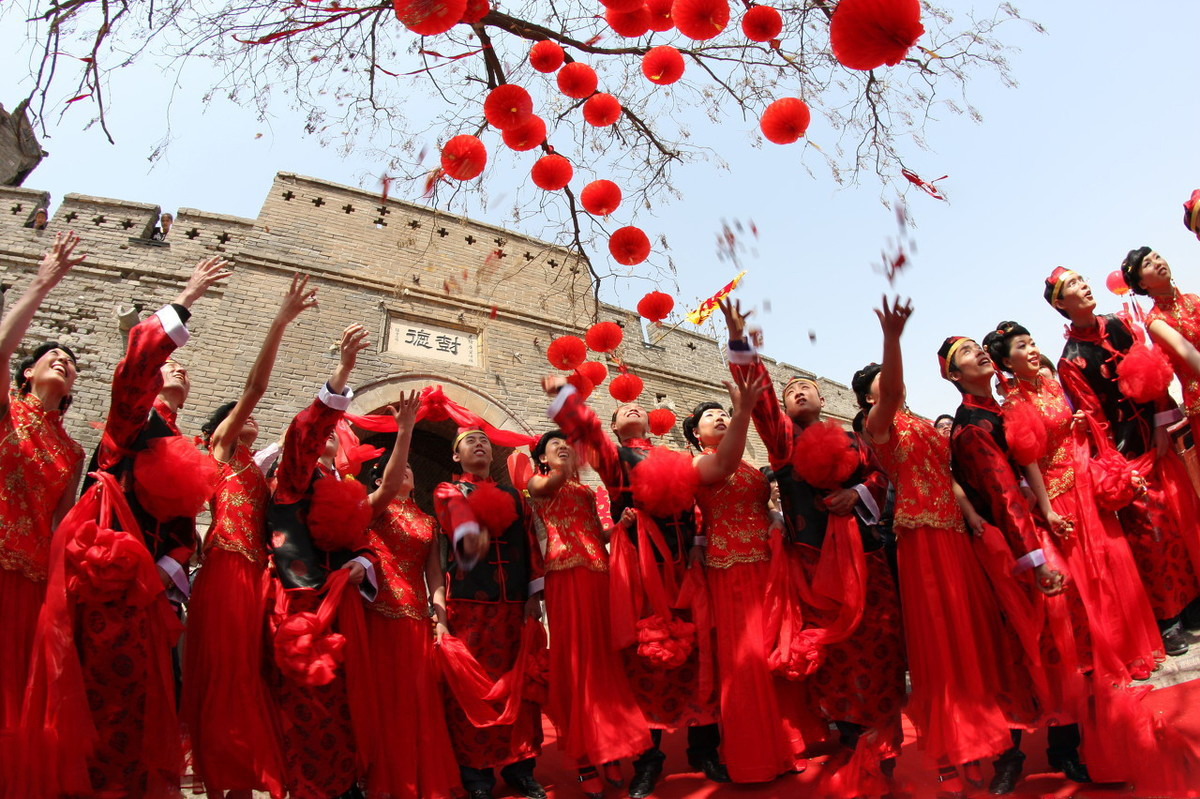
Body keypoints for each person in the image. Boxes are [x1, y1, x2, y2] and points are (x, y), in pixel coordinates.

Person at [15, 255, 230, 798]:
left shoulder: (186, 450)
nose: (177, 371)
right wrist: (185, 300)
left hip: (151, 598)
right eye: (169, 369)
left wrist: (167, 568)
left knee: (140, 710)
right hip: (104, 586)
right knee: (98, 706)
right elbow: (135, 369)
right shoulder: (129, 426)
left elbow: (183, 530)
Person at [720, 299, 905, 775]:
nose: (798, 393)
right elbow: (758, 402)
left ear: (823, 398)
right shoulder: (783, 441)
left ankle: (881, 741)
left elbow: (884, 479)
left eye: (805, 387)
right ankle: (845, 736)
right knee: (832, 654)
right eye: (790, 392)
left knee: (879, 643)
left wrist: (858, 492)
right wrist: (740, 339)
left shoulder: (856, 438)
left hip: (866, 558)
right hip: (812, 561)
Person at [853, 297, 1012, 795]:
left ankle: (996, 734)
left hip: (954, 530)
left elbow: (949, 479)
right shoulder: (878, 427)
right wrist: (894, 340)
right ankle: (957, 748)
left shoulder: (921, 422)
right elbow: (893, 389)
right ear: (866, 399)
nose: (891, 380)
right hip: (920, 536)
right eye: (880, 379)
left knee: (974, 628)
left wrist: (972, 521)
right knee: (942, 637)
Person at [545, 379, 723, 798]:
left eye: (638, 409)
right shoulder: (616, 460)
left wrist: (698, 545)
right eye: (622, 411)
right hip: (642, 569)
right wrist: (566, 400)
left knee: (699, 654)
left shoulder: (677, 458)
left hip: (685, 569)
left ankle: (705, 748)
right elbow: (592, 440)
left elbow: (698, 508)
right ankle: (649, 758)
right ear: (613, 425)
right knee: (647, 659)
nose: (632, 410)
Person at [181, 274, 318, 799]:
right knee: (223, 674)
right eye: (242, 418)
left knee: (251, 675)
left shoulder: (261, 477)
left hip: (258, 578)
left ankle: (240, 778)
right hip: (222, 572)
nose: (252, 417)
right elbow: (254, 389)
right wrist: (280, 323)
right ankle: (220, 781)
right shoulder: (221, 452)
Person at [939, 334, 1087, 794]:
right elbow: (1003, 496)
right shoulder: (972, 427)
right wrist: (1036, 561)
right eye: (965, 354)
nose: (978, 353)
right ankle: (1013, 752)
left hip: (1026, 539)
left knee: (1055, 642)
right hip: (1007, 552)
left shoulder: (998, 410)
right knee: (1022, 647)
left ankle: (1064, 744)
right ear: (953, 375)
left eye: (976, 346)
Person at [983, 320, 1163, 683]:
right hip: (1060, 493)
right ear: (1006, 361)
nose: (1032, 350)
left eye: (1032, 342)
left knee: (1114, 564)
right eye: (1021, 346)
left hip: (1086, 483)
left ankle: (1132, 650)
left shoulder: (1051, 384)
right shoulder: (1014, 402)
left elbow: (1067, 428)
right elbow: (1029, 459)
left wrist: (1077, 423)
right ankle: (1110, 658)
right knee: (1090, 578)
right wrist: (1047, 509)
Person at [1046, 267, 1200, 655]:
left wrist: (1164, 423)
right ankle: (1167, 621)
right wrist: (1116, 465)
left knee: (1181, 519)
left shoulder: (1120, 325)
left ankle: (1194, 605)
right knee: (1149, 534)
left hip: (1157, 433)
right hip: (1127, 454)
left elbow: (1156, 372)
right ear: (1061, 304)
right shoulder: (1071, 359)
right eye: (1073, 286)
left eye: (1083, 279)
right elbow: (1093, 415)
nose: (1084, 286)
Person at [684, 372, 823, 783]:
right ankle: (753, 753)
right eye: (711, 416)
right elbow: (724, 462)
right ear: (695, 434)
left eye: (722, 412)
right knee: (743, 659)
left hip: (766, 564)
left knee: (772, 653)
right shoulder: (698, 462)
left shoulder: (749, 467)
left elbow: (761, 496)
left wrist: (776, 518)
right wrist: (744, 407)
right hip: (729, 568)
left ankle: (786, 743)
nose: (720, 418)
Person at [266, 322, 383, 799]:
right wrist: (341, 376)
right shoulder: (295, 479)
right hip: (302, 600)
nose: (328, 436)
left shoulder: (346, 490)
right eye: (324, 432)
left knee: (346, 698)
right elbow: (303, 436)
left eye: (337, 432)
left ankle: (347, 783)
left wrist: (364, 565)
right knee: (307, 702)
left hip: (346, 602)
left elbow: (365, 539)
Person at [525, 429, 651, 796]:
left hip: (599, 574)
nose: (563, 447)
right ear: (543, 458)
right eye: (554, 446)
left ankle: (608, 747)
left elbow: (596, 533)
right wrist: (567, 462)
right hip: (565, 575)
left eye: (566, 443)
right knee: (576, 664)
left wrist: (620, 527)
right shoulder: (538, 482)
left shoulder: (585, 491)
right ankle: (583, 758)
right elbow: (548, 488)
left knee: (602, 662)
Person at [0, 232, 86, 749]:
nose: (62, 358)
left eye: (70, 360)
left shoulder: (72, 452)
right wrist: (41, 283)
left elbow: (60, 525)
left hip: (30, 579)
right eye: (51, 354)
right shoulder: (7, 410)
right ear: (26, 372)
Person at [433, 429, 547, 799]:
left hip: (514, 606)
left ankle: (521, 767)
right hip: (469, 608)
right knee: (473, 691)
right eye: (469, 441)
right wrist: (470, 538)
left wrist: (534, 595)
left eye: (484, 439)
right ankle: (476, 774)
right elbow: (457, 523)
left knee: (520, 688)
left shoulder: (515, 496)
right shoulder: (448, 491)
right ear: (455, 456)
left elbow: (530, 543)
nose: (479, 444)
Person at [359, 391, 460, 799]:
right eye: (389, 471)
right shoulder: (373, 508)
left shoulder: (426, 521)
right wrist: (404, 432)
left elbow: (434, 572)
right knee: (383, 699)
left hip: (416, 615)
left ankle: (418, 779)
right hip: (379, 612)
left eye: (404, 470)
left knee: (417, 702)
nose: (400, 474)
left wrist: (441, 616)